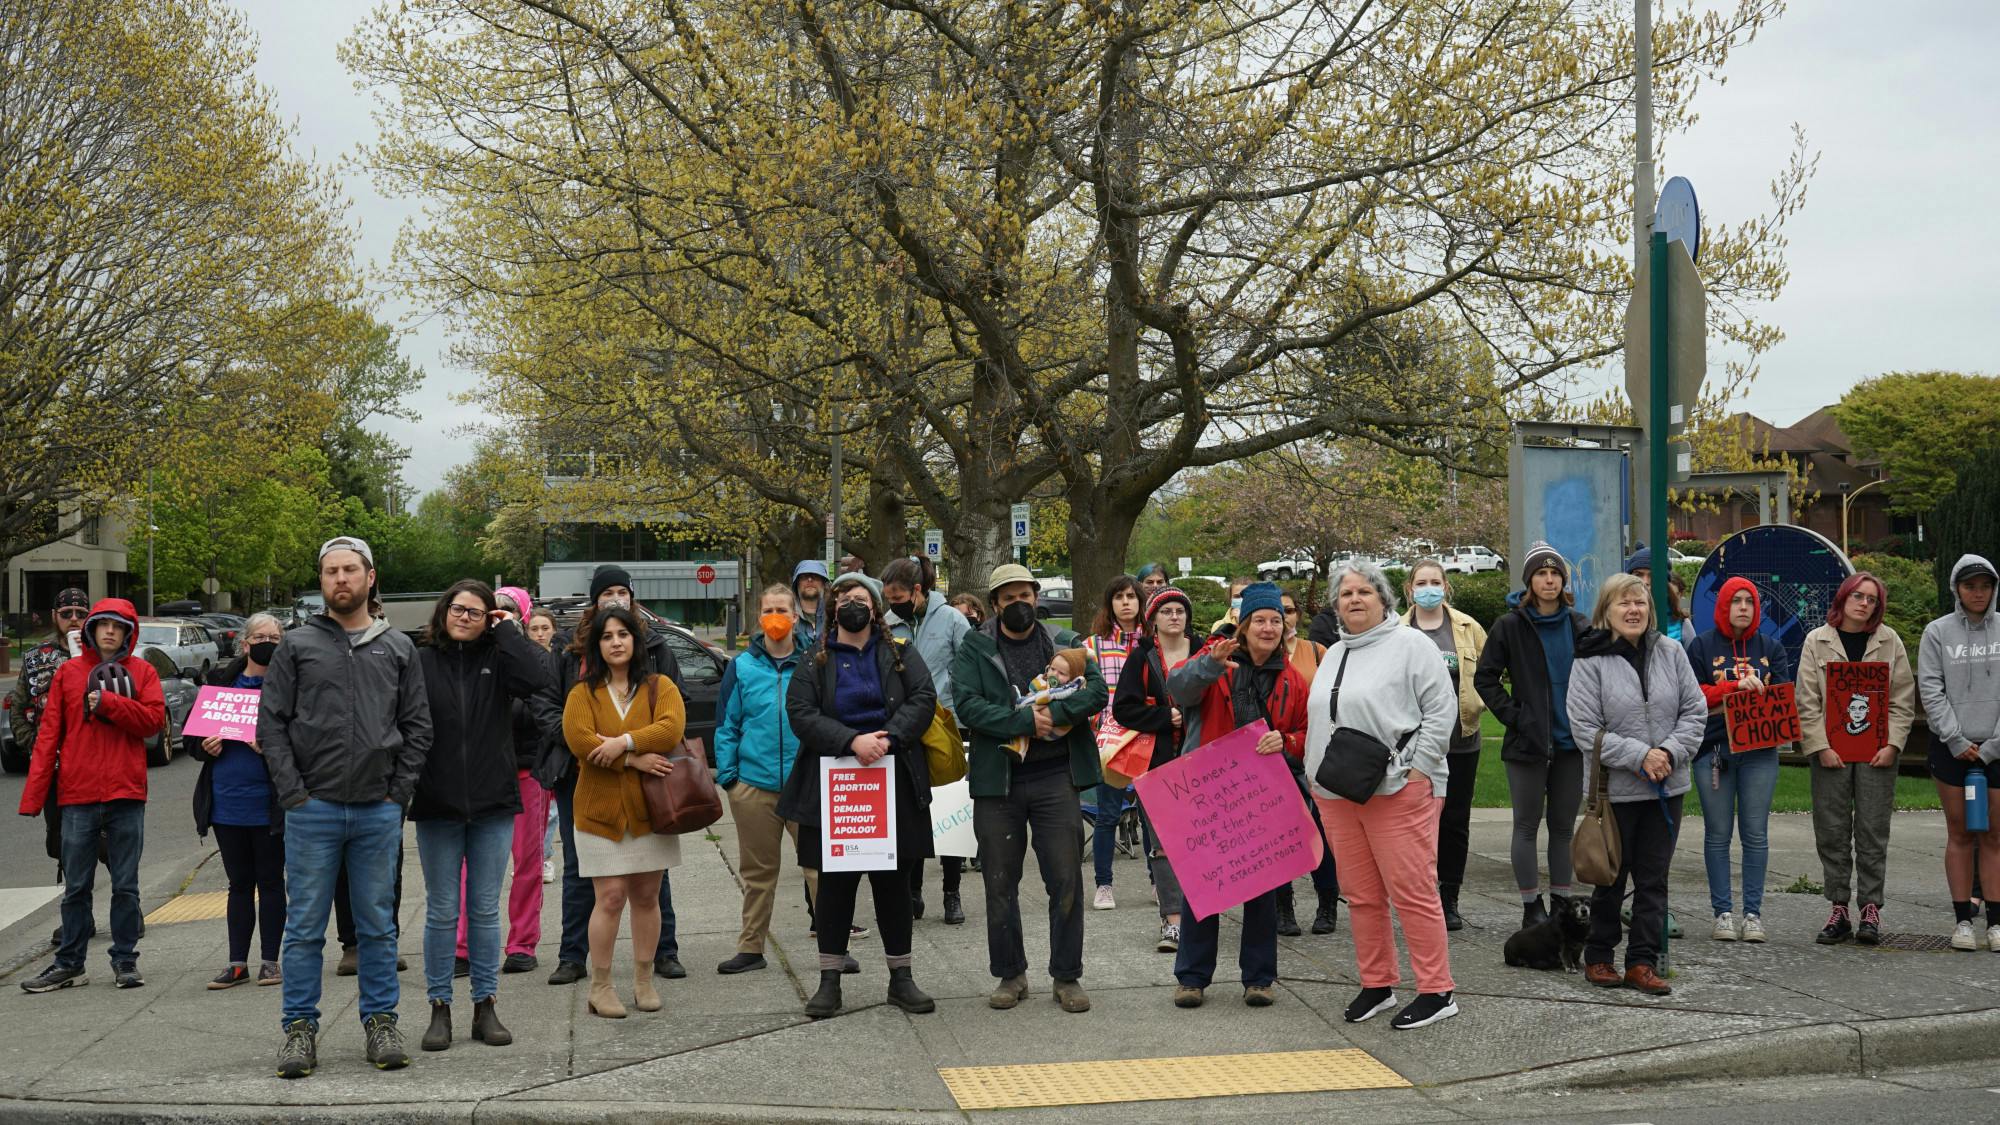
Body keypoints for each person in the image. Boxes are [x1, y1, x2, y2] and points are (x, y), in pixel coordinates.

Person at [262, 536, 433, 1077]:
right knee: (305, 926)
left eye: (350, 570)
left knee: (378, 926)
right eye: (331, 571)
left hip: (376, 810)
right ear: (322, 581)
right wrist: (294, 794)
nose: (341, 579)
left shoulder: (398, 647)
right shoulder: (296, 646)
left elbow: (418, 728)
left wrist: (397, 794)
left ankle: (381, 1022)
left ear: (370, 576)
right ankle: (299, 1030)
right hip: (311, 808)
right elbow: (272, 726)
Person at [1304, 563, 1460, 1031]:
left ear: (1384, 599)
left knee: (1412, 892)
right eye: (1346, 593)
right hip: (1337, 791)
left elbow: (1440, 710)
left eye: (1365, 591)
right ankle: (1378, 983)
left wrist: (1417, 769)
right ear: (1336, 606)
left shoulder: (1412, 645)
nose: (1355, 599)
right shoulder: (1333, 653)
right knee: (1361, 894)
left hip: (1398, 788)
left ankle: (1437, 990)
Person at [777, 573, 939, 1018]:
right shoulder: (816, 659)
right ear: (833, 608)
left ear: (875, 608)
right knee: (834, 888)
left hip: (894, 780)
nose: (853, 604)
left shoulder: (901, 653)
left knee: (894, 885)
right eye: (845, 598)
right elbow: (801, 713)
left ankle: (901, 980)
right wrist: (851, 741)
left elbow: (923, 698)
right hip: (832, 788)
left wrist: (888, 739)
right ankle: (829, 983)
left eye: (861, 598)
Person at [953, 563, 1104, 1014]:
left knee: (1066, 879)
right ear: (995, 604)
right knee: (1000, 882)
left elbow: (1097, 691)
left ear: (1037, 597)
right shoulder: (974, 647)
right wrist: (1022, 720)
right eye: (1009, 597)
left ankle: (1067, 976)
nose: (1019, 604)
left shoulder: (1065, 642)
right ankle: (1010, 974)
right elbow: (967, 705)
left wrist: (1054, 717)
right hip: (998, 782)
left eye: (1026, 595)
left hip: (1057, 777)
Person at [410, 581, 551, 1051]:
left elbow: (539, 679)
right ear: (444, 610)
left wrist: (509, 630)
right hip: (437, 803)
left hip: (492, 801)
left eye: (477, 612)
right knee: (442, 911)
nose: (465, 617)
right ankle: (439, 1007)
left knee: (486, 911)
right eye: (458, 608)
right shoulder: (422, 660)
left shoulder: (501, 659)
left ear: (489, 618)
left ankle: (485, 1005)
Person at [1165, 582, 1309, 1009]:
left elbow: (1306, 733)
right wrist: (1209, 664)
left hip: (1264, 795)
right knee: (1202, 886)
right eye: (1259, 620)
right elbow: (1179, 689)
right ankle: (1192, 978)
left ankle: (1259, 979)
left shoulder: (1293, 679)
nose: (1267, 628)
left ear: (1284, 628)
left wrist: (1286, 740)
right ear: (1243, 627)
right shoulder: (1216, 660)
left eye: (1275, 621)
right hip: (1210, 793)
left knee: (1262, 888)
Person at [1568, 573, 1707, 996]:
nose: (1633, 610)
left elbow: (1695, 712)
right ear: (1606, 612)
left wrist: (1667, 752)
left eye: (1640, 603)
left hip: (1666, 789)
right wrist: (1639, 756)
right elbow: (1585, 728)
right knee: (1610, 877)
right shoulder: (1589, 661)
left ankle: (1642, 963)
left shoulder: (1672, 652)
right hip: (1616, 792)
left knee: (1654, 879)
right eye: (1623, 603)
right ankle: (1599, 956)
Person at [548, 564, 687, 986]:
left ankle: (662, 957)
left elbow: (671, 722)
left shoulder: (657, 657)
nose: (615, 640)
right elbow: (574, 731)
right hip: (589, 788)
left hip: (649, 794)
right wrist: (629, 756)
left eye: (620, 592)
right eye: (605, 592)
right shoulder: (570, 657)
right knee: (590, 883)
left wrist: (625, 744)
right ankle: (576, 960)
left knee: (650, 889)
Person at [17, 597, 163, 995]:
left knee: (126, 885)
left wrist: (112, 704)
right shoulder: (67, 673)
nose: (110, 632)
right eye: (103, 625)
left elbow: (153, 723)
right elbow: (48, 736)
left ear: (128, 631)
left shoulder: (144, 671)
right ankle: (70, 963)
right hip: (77, 794)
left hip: (125, 793)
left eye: (118, 626)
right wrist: (34, 796)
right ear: (91, 630)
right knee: (77, 885)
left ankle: (125, 960)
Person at [1474, 542, 1589, 929]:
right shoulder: (1510, 625)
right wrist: (1515, 716)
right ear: (1529, 581)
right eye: (1541, 573)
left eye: (1556, 573)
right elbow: (1485, 677)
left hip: (1571, 744)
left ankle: (1560, 902)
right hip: (1527, 745)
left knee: (1562, 828)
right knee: (1526, 825)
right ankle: (1531, 907)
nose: (1549, 579)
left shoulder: (1579, 624)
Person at [1795, 572, 1914, 945]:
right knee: (1831, 831)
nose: (1864, 604)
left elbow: (1902, 698)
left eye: (1872, 600)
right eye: (1858, 597)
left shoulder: (1889, 641)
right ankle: (1838, 908)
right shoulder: (1817, 641)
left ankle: (1871, 909)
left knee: (1872, 831)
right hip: (1830, 753)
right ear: (1843, 599)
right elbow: (1806, 700)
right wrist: (1820, 747)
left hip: (1877, 753)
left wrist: (1893, 745)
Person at [449, 585, 558, 978]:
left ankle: (522, 943)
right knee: (468, 864)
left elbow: (539, 694)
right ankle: (462, 946)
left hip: (527, 772)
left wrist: (512, 638)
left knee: (528, 861)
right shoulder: (469, 655)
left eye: (509, 611)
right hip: (480, 774)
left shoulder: (532, 657)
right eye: (493, 609)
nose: (498, 616)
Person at [1683, 576, 1792, 944]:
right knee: (1717, 834)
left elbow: (1782, 699)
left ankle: (1752, 914)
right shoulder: (1701, 646)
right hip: (1713, 751)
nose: (1743, 607)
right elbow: (1692, 694)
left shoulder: (1772, 648)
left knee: (1755, 834)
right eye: (1736, 601)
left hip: (1759, 753)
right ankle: (1723, 913)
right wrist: (1733, 687)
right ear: (1723, 605)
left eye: (1749, 601)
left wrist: (1758, 693)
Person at [186, 613, 288, 989]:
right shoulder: (220, 684)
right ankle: (236, 963)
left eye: (275, 638)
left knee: (272, 881)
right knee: (239, 884)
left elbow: (304, 744)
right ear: (244, 644)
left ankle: (271, 961)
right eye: (261, 637)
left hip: (269, 803)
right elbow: (194, 741)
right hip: (227, 804)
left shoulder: (288, 686)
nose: (268, 643)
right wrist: (206, 746)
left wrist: (270, 748)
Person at [714, 586, 812, 973]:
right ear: (759, 616)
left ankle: (833, 946)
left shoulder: (812, 661)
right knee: (757, 874)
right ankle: (751, 947)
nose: (775, 616)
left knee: (819, 870)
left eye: (782, 609)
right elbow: (727, 725)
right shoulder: (742, 666)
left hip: (806, 783)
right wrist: (731, 779)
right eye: (768, 610)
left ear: (794, 616)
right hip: (754, 785)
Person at [881, 555, 973, 923]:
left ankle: (952, 892)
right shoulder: (887, 624)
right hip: (906, 729)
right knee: (912, 812)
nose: (893, 602)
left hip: (948, 726)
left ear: (917, 590)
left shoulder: (952, 619)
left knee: (951, 811)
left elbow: (967, 669)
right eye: (887, 597)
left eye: (899, 595)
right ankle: (913, 892)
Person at [1917, 554, 2000, 952]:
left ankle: (1996, 924)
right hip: (1952, 749)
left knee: (1994, 836)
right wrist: (1956, 740)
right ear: (1957, 589)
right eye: (1970, 586)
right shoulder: (1937, 632)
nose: (1978, 593)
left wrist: (1992, 746)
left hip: (1997, 748)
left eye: (1984, 585)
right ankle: (1963, 921)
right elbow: (1931, 690)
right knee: (1961, 832)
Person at [1401, 560, 1489, 932]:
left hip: (1461, 741)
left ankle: (1449, 897)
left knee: (1455, 822)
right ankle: (1418, 896)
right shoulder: (1397, 631)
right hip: (1413, 746)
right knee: (1414, 824)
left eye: (1435, 582)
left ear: (1446, 587)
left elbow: (1488, 673)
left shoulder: (1468, 628)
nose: (1428, 588)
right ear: (1409, 590)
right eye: (1421, 582)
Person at [1112, 586, 1201, 952]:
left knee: (1200, 841)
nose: (1174, 617)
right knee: (1164, 846)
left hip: (1203, 761)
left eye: (1180, 610)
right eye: (1166, 612)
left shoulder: (1203, 651)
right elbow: (1123, 709)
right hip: (1158, 763)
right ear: (1153, 620)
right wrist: (1165, 717)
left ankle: (1202, 915)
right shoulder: (1142, 657)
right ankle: (1173, 920)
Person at [1269, 591, 1340, 937]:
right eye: (1276, 612)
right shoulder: (1260, 654)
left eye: (1289, 611)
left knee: (1317, 833)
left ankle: (1328, 901)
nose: (1283, 618)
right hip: (1270, 757)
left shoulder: (1317, 652)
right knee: (1277, 837)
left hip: (1312, 754)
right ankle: (1284, 907)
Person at [1082, 576, 1144, 912]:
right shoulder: (1093, 645)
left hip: (1149, 740)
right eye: (1119, 597)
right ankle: (1104, 884)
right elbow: (1085, 692)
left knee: (1153, 817)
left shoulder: (1153, 641)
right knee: (1107, 815)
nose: (1126, 603)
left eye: (1132, 596)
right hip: (1111, 742)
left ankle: (1158, 880)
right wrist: (1097, 726)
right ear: (1110, 604)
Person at [7, 587, 89, 770]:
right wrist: (35, 744)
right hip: (50, 767)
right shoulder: (34, 657)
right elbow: (17, 708)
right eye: (66, 613)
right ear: (54, 615)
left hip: (92, 764)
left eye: (81, 614)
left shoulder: (100, 654)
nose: (74, 619)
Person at [526, 606, 561, 883]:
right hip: (531, 744)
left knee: (551, 811)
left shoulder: (561, 661)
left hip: (554, 742)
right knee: (538, 811)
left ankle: (545, 857)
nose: (539, 634)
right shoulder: (524, 661)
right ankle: (536, 857)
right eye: (534, 629)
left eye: (544, 628)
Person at [792, 560, 832, 648]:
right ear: (797, 583)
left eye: (815, 576)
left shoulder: (834, 615)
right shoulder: (788, 616)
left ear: (823, 583)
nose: (810, 580)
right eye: (804, 577)